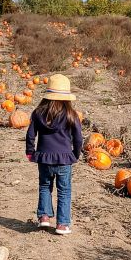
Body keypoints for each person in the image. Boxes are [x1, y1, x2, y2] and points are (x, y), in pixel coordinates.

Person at [26, 74, 83, 235]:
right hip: (64, 159)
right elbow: (78, 138)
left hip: (44, 157)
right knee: (64, 190)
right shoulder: (71, 114)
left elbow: (30, 135)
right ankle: (62, 224)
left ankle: (44, 217)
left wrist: (30, 152)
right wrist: (75, 154)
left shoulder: (38, 113)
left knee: (45, 186)